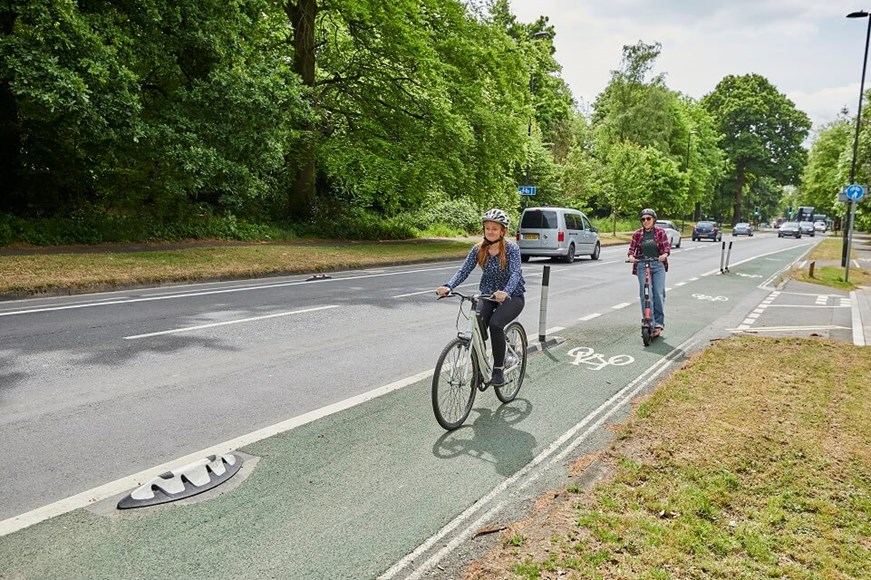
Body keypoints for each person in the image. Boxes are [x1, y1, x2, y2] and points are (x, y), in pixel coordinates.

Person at [437, 208, 526, 386]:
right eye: (487, 228)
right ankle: (480, 369)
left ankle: (498, 370)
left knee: (495, 324)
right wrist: (449, 286)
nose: (490, 231)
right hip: (487, 294)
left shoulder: (511, 249)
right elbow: (464, 270)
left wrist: (506, 291)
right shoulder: (478, 249)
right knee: (478, 324)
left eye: (495, 228)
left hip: (512, 296)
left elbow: (516, 273)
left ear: (502, 231)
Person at [627, 208, 671, 337]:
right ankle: (648, 320)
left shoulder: (660, 232)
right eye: (643, 219)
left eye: (648, 219)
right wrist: (631, 256)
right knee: (646, 294)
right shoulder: (637, 234)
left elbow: (666, 248)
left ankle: (658, 323)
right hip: (642, 264)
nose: (645, 221)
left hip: (658, 265)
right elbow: (631, 249)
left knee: (658, 293)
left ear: (653, 220)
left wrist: (664, 255)